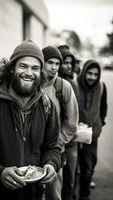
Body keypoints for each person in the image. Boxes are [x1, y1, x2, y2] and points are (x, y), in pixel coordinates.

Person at [0, 40, 61, 200]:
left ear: (41, 73)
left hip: (34, 194)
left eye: (35, 68)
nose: (29, 73)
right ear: (11, 70)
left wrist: (51, 164)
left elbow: (52, 147)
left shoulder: (47, 106)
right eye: (23, 66)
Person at [42, 45, 79, 200]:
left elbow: (71, 123)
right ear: (42, 62)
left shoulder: (63, 86)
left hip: (55, 151)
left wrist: (56, 143)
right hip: (32, 149)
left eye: (57, 64)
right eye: (50, 62)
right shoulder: (31, 84)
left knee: (53, 193)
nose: (54, 67)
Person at [72, 59, 107, 200]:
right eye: (89, 73)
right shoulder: (74, 85)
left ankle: (84, 195)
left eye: (95, 74)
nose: (92, 77)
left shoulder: (102, 86)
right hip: (74, 134)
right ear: (84, 72)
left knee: (89, 167)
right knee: (73, 168)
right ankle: (71, 193)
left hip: (91, 135)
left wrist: (99, 123)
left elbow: (103, 107)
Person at [58, 44, 78, 200]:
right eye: (65, 62)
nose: (68, 66)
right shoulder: (53, 84)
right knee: (56, 180)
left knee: (70, 177)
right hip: (54, 140)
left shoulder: (73, 83)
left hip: (70, 140)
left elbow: (76, 113)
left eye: (71, 63)